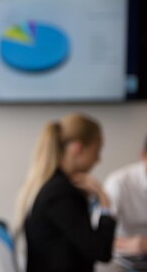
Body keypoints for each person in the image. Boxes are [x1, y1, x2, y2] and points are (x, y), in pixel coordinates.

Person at [14, 113, 116, 272]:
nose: (98, 159)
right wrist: (105, 202)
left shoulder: (52, 186)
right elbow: (101, 251)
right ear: (78, 149)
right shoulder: (60, 193)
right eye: (96, 151)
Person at [103, 134, 147, 256]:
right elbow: (96, 238)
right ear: (143, 155)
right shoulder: (119, 183)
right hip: (124, 256)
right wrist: (129, 244)